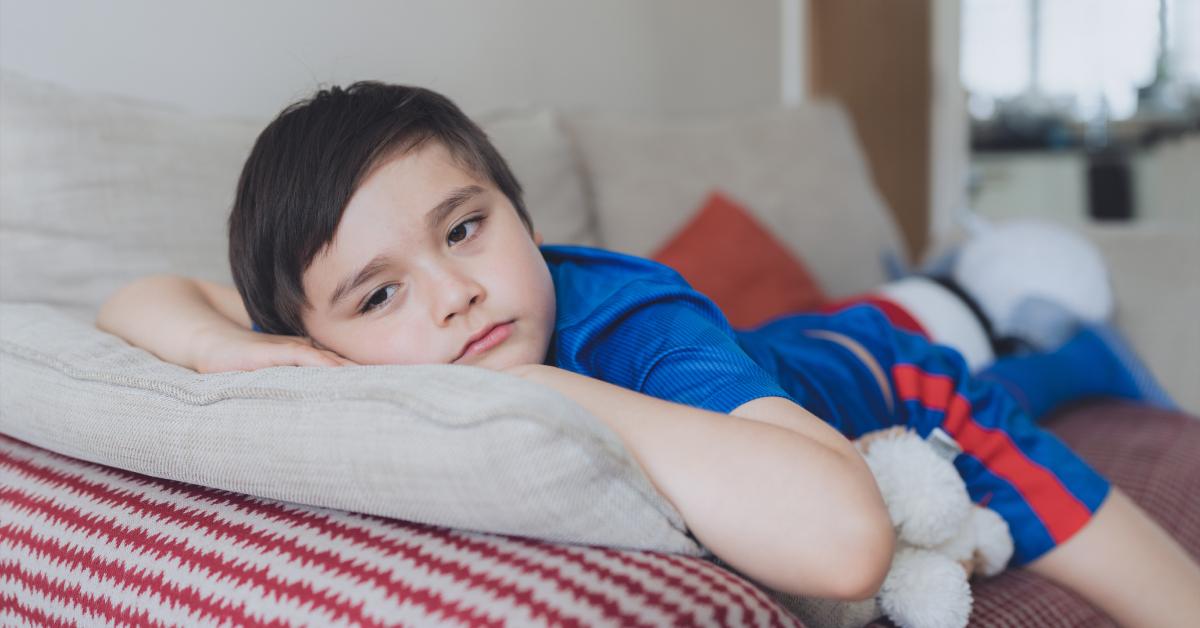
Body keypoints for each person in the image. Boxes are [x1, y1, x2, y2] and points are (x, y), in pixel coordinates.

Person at [96, 81, 1200, 624]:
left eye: (466, 228)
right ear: (314, 337)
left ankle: (1070, 339)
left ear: (523, 217)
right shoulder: (341, 355)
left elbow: (843, 543)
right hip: (775, 352)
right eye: (380, 292)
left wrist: (540, 383)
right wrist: (218, 349)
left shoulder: (623, 320)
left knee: (1030, 405)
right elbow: (140, 295)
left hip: (887, 376)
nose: (455, 294)